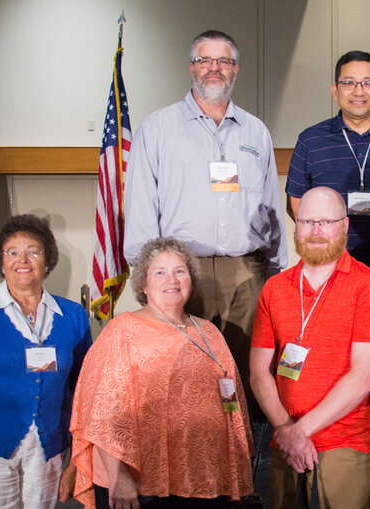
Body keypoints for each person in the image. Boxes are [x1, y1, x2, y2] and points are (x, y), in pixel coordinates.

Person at [123, 30, 287, 405]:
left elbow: (271, 209)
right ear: (191, 68)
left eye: (223, 61)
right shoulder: (158, 128)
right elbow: (141, 209)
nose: (214, 68)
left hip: (246, 274)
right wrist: (150, 277)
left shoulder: (255, 131)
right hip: (182, 272)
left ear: (236, 69)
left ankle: (243, 459)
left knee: (244, 379)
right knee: (183, 379)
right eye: (205, 60)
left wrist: (276, 274)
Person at [71, 237, 254, 508]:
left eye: (180, 271)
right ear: (143, 285)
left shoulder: (210, 332)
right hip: (142, 484)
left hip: (208, 479)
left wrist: (236, 468)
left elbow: (233, 403)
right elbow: (102, 412)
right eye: (160, 272)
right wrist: (117, 475)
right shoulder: (122, 331)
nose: (172, 280)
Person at [250, 187, 370, 508]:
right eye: (307, 221)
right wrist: (286, 430)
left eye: (326, 222)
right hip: (283, 441)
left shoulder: (368, 286)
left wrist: (300, 432)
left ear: (344, 225)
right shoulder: (274, 289)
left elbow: (363, 377)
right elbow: (259, 371)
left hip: (344, 442)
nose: (315, 231)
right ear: (296, 225)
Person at [0, 214, 92, 507]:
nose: (23, 259)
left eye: (33, 251)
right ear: (1, 261)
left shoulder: (73, 315)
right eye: (12, 252)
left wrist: (77, 462)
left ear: (47, 260)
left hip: (48, 451)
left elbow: (86, 394)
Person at [286, 50, 370, 265]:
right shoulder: (310, 140)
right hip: (329, 262)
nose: (358, 91)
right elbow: (297, 201)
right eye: (348, 83)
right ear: (335, 91)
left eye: (367, 83)